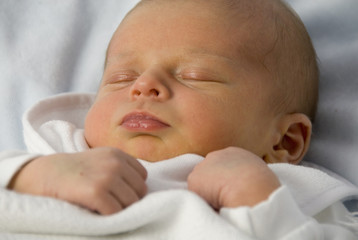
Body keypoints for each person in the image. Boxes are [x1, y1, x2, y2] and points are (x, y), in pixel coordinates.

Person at [0, 0, 357, 239]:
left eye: (196, 74)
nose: (144, 86)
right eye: (121, 78)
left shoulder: (292, 196)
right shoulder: (59, 153)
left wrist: (261, 205)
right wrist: (30, 177)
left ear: (284, 141)